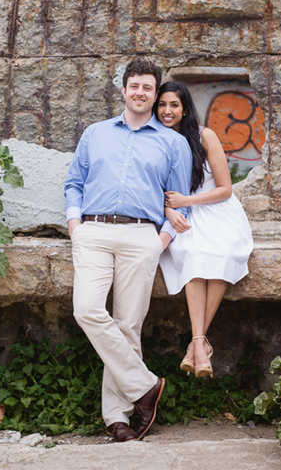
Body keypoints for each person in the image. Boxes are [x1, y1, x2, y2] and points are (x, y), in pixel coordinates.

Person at [65, 60, 192, 443]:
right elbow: (74, 182)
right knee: (86, 309)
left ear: (155, 95)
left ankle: (117, 417)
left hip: (143, 237)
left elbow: (180, 202)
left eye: (147, 88)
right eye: (134, 86)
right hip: (94, 230)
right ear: (123, 90)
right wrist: (76, 227)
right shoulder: (95, 133)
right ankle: (145, 387)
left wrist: (162, 240)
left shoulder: (173, 143)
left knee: (127, 325)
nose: (140, 93)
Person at [155, 81, 253, 379]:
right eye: (162, 104)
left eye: (174, 104)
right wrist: (169, 210)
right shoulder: (153, 140)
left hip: (216, 210)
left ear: (185, 109)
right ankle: (200, 346)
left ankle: (195, 344)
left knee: (222, 252)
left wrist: (186, 200)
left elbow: (224, 189)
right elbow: (147, 190)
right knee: (192, 252)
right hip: (180, 215)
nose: (167, 110)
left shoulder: (204, 135)